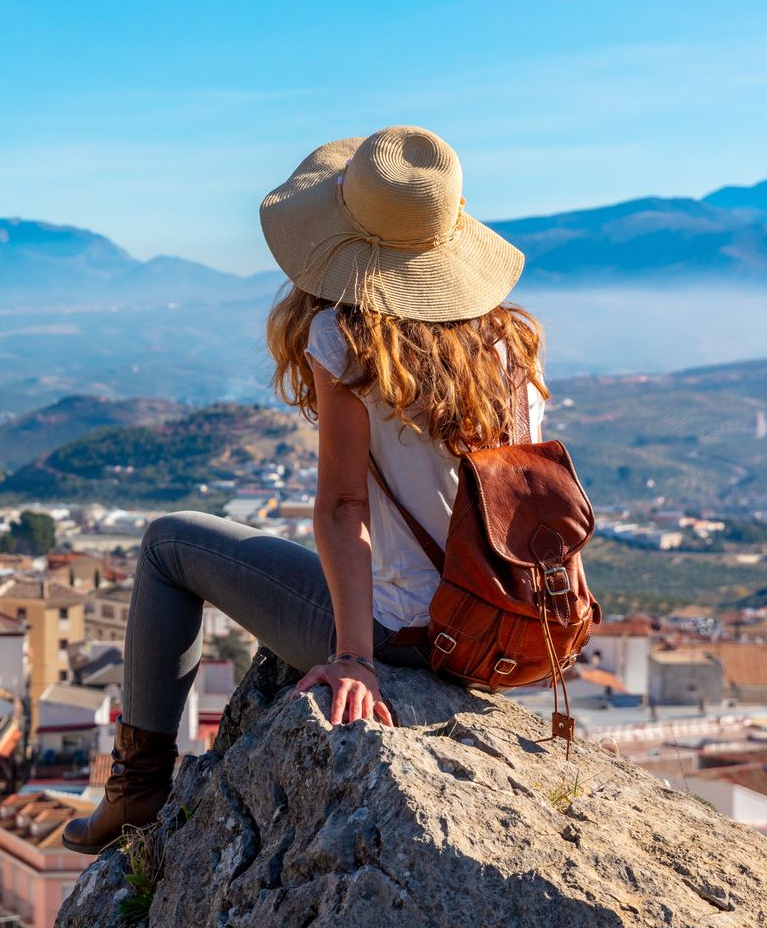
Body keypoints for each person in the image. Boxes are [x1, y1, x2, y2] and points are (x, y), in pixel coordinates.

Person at [63, 125, 548, 854]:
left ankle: (136, 791)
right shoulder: (510, 345)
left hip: (406, 634)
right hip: (499, 629)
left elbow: (345, 505)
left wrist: (356, 657)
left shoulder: (345, 341)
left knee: (168, 542)